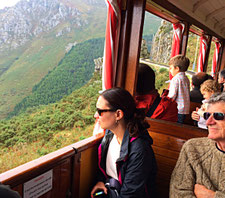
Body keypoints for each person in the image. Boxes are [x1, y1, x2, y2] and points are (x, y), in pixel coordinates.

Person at [91, 87, 157, 198]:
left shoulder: (139, 150)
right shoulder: (109, 135)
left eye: (100, 111)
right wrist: (100, 181)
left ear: (118, 115)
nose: (95, 116)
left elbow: (130, 195)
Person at [170, 92, 225, 198]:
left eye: (218, 116)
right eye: (207, 115)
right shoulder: (193, 148)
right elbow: (178, 193)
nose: (208, 122)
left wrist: (211, 196)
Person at [168, 55, 190, 123]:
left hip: (177, 109)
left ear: (177, 68)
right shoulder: (186, 78)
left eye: (171, 68)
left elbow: (172, 95)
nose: (170, 70)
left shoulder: (175, 79)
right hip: (184, 109)